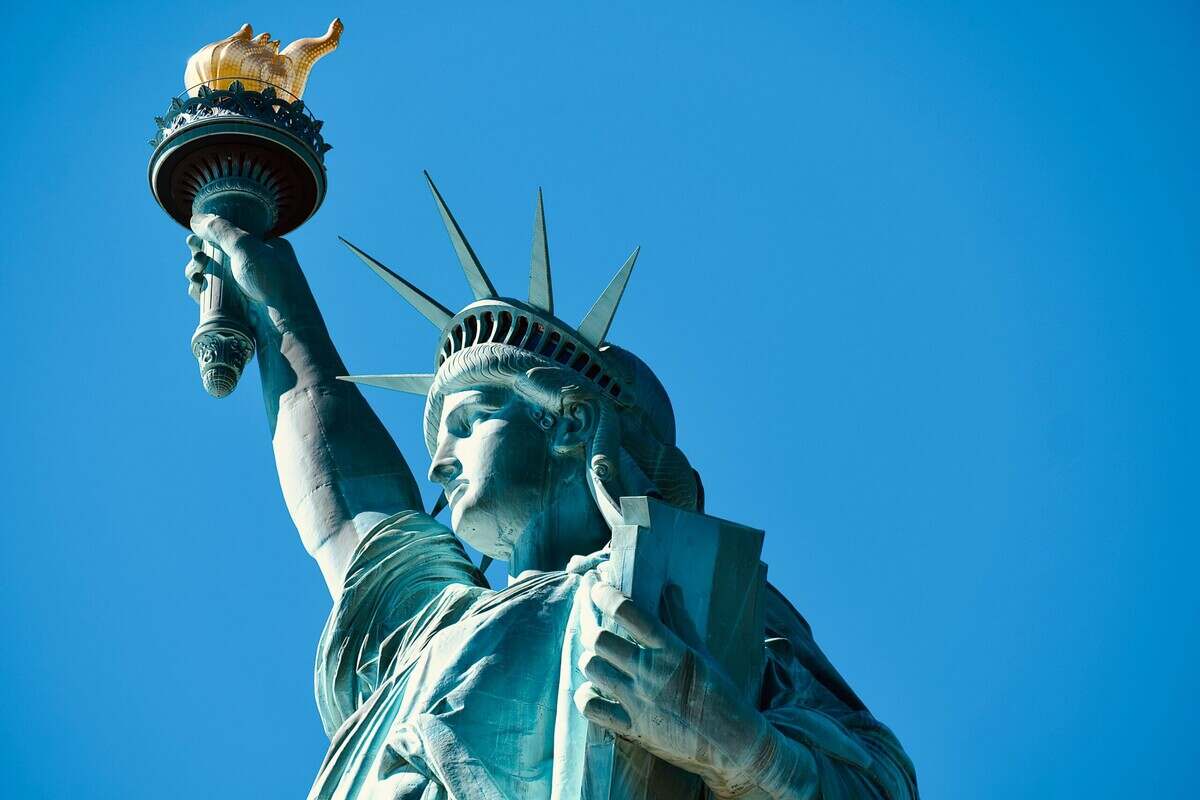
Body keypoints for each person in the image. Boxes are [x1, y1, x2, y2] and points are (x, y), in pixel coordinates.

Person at [182, 182, 918, 800]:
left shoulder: (694, 606)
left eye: (467, 421)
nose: (438, 463)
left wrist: (742, 747)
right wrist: (268, 289)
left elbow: (876, 785)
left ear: (570, 420)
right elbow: (342, 486)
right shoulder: (432, 629)